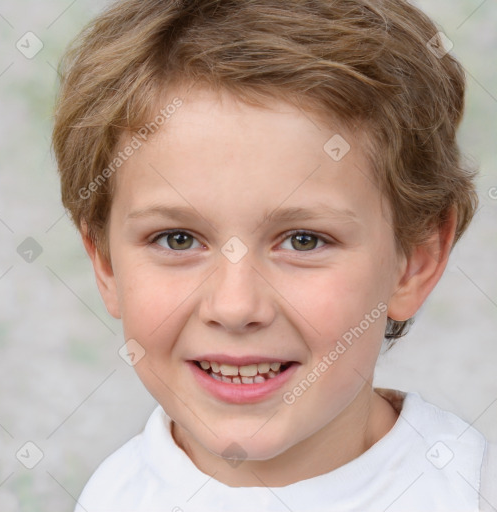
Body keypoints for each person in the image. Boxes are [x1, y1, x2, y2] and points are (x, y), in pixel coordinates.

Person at [52, 0, 496, 510]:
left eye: (303, 240)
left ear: (415, 260)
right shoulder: (112, 498)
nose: (235, 307)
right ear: (105, 264)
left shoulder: (472, 492)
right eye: (177, 239)